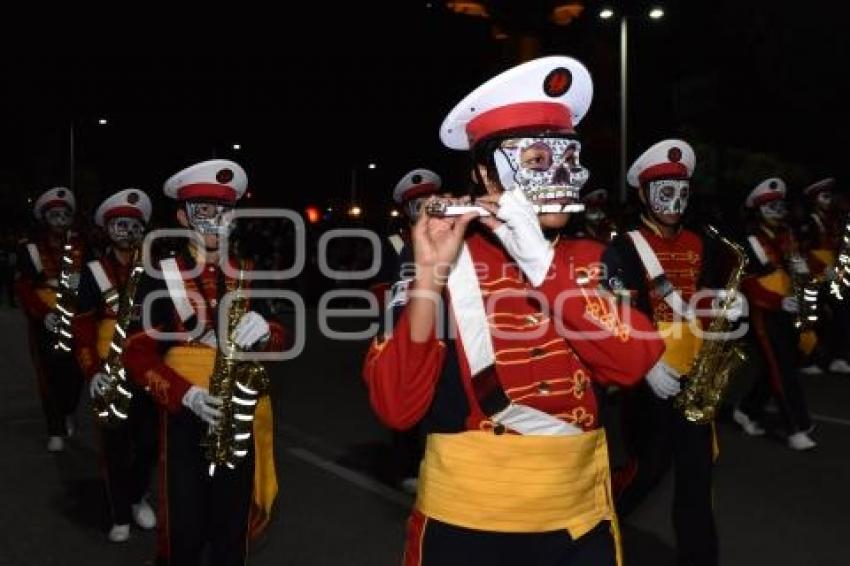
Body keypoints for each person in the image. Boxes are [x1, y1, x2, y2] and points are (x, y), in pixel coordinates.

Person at [363, 55, 664, 566]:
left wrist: (543, 264)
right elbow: (397, 407)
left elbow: (632, 362)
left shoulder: (592, 256)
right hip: (466, 526)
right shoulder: (442, 255)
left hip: (577, 521)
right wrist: (430, 280)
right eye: (538, 160)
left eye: (569, 156)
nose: (561, 174)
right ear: (484, 172)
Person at [123, 160, 288, 565]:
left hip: (240, 413)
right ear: (182, 217)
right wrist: (186, 396)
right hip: (184, 415)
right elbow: (136, 354)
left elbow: (283, 334)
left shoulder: (249, 273)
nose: (214, 222)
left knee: (232, 528)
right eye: (203, 212)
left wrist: (267, 330)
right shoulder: (161, 276)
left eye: (224, 212)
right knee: (185, 526)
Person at [604, 139, 741, 566]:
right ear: (643, 194)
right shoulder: (623, 247)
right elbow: (614, 313)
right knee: (646, 472)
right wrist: (644, 365)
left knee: (698, 479)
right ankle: (596, 530)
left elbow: (708, 300)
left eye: (681, 192)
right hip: (650, 372)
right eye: (663, 191)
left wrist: (727, 307)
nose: (674, 202)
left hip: (696, 373)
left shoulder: (705, 244)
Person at [71, 188, 158, 542]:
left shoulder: (155, 270)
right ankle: (120, 512)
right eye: (120, 224)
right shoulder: (93, 272)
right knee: (115, 445)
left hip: (151, 369)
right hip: (111, 371)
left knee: (151, 442)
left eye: (135, 225)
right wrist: (92, 371)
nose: (128, 231)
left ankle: (138, 496)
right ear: (108, 229)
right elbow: (82, 326)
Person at [734, 177, 816, 450]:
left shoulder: (786, 235)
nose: (778, 210)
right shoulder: (751, 241)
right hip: (764, 313)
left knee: (781, 365)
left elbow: (796, 269)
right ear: (759, 210)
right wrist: (778, 303)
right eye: (771, 206)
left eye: (780, 204)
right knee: (781, 368)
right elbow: (749, 284)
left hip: (788, 308)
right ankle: (795, 427)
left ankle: (746, 409)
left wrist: (804, 270)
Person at [15, 187, 85, 452]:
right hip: (45, 322)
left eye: (64, 215)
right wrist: (43, 315)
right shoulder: (30, 249)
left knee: (76, 373)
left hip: (77, 320)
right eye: (54, 215)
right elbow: (24, 289)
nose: (59, 220)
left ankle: (68, 411)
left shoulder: (82, 247)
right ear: (45, 219)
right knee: (49, 376)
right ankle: (55, 429)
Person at [798, 177, 850, 374]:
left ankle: (838, 357)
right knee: (811, 319)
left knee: (841, 315)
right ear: (815, 199)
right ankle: (807, 359)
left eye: (830, 196)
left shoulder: (834, 221)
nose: (829, 201)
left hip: (833, 277)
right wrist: (820, 268)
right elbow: (801, 252)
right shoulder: (808, 222)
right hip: (813, 277)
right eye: (824, 196)